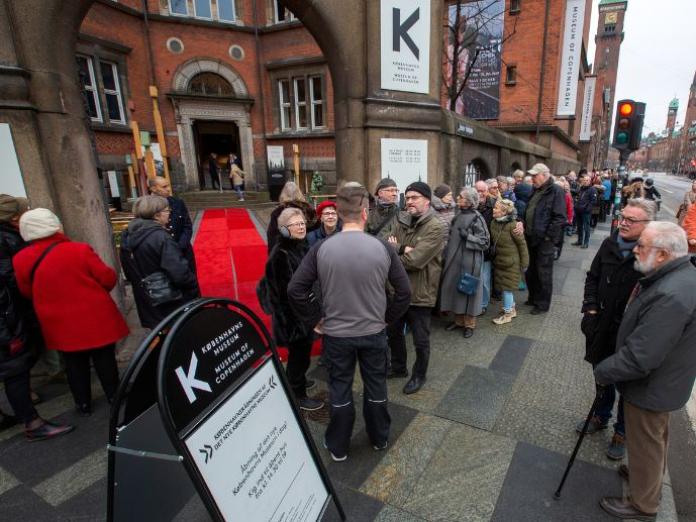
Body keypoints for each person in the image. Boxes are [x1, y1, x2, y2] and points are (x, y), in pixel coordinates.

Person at [288, 185, 411, 462]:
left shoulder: (322, 247)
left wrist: (315, 320)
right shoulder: (381, 247)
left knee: (340, 388)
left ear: (340, 214)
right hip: (373, 331)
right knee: (376, 385)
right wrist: (387, 318)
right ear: (365, 213)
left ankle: (339, 445)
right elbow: (404, 292)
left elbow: (295, 289)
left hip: (337, 335)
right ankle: (379, 437)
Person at [595, 222, 696, 521]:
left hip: (652, 385)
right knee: (652, 440)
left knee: (647, 442)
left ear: (663, 254)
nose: (636, 250)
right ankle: (645, 479)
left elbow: (641, 356)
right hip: (665, 380)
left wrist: (604, 370)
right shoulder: (680, 276)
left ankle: (643, 504)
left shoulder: (671, 294)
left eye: (643, 246)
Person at [13, 209, 128, 416]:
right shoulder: (79, 250)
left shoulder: (21, 258)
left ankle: (82, 403)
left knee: (74, 362)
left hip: (57, 319)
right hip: (94, 314)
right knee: (104, 358)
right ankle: (114, 396)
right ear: (54, 225)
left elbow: (26, 291)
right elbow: (107, 278)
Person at [578, 198, 656, 462]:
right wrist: (589, 308)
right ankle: (601, 414)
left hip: (630, 333)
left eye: (630, 220)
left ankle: (621, 432)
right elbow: (593, 277)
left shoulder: (653, 254)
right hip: (600, 325)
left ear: (647, 225)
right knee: (601, 375)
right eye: (623, 217)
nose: (623, 222)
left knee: (627, 385)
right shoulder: (609, 243)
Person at [386, 182, 444, 394]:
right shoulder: (401, 220)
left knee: (420, 340)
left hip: (420, 294)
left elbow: (415, 261)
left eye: (414, 198)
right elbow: (386, 246)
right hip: (397, 291)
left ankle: (419, 375)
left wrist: (397, 248)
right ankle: (399, 367)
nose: (408, 201)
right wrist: (402, 248)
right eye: (407, 197)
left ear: (427, 201)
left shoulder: (435, 227)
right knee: (393, 333)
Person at [265, 207, 323, 411]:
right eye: (295, 224)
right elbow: (284, 295)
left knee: (302, 356)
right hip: (293, 318)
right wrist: (304, 321)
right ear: (283, 229)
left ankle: (296, 381)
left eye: (302, 223)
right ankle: (297, 395)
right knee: (299, 356)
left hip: (303, 313)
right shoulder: (280, 254)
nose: (301, 227)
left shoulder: (301, 245)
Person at [120, 195, 200, 329]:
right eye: (167, 210)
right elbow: (180, 274)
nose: (169, 213)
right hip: (169, 302)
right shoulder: (161, 238)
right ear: (157, 215)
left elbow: (128, 273)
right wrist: (193, 290)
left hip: (147, 301)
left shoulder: (128, 235)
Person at [440, 187, 490, 337]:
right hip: (455, 259)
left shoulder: (477, 218)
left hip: (470, 260)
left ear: (469, 201)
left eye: (461, 196)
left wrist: (468, 237)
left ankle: (470, 324)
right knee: (457, 290)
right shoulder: (458, 215)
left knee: (469, 290)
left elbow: (485, 242)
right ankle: (459, 321)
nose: (457, 198)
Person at [523, 163, 567, 314]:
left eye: (535, 175)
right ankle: (533, 297)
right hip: (531, 237)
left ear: (544, 175)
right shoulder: (536, 189)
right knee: (531, 271)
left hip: (544, 240)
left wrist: (548, 237)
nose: (532, 178)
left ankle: (542, 304)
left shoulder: (556, 190)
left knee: (544, 273)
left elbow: (560, 218)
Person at [489, 199, 528, 324]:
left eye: (496, 208)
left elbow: (522, 245)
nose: (493, 210)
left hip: (512, 263)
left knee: (507, 289)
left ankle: (508, 314)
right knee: (505, 287)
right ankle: (511, 308)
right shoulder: (493, 223)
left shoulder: (513, 225)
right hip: (500, 261)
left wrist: (524, 264)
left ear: (504, 211)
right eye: (494, 207)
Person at [148, 176, 196, 272]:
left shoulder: (178, 203)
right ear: (153, 188)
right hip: (162, 255)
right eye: (164, 187)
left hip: (183, 251)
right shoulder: (148, 206)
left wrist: (179, 247)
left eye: (168, 186)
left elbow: (187, 226)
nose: (168, 189)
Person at [266, 182, 317, 253]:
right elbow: (316, 228)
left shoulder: (278, 211)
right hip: (309, 249)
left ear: (283, 194)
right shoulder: (309, 209)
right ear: (299, 193)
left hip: (287, 251)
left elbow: (272, 235)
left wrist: (273, 254)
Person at [572, 172, 597, 249]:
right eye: (584, 180)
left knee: (586, 227)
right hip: (578, 210)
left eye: (587, 180)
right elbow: (577, 196)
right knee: (579, 226)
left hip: (586, 212)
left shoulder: (592, 189)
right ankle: (579, 241)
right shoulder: (581, 188)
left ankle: (586, 243)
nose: (585, 181)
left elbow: (593, 201)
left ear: (589, 181)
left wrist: (587, 209)